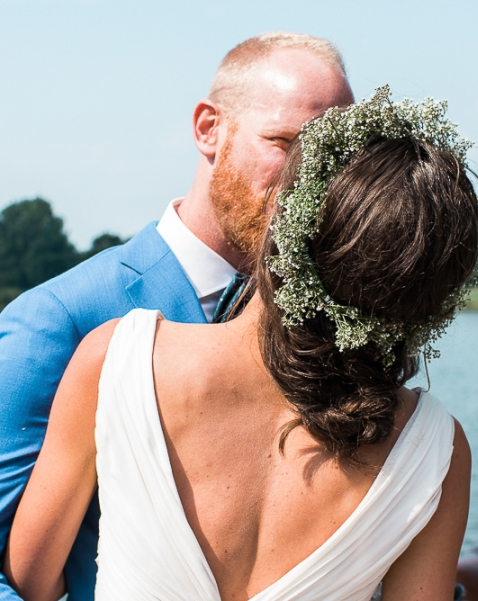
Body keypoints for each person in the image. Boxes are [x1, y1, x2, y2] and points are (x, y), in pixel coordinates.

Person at [3, 88, 478, 600]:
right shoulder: (438, 450)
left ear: (285, 220)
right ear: (433, 302)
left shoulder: (118, 358)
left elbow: (31, 578)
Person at [0, 32, 353, 600]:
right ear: (209, 128)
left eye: (333, 157)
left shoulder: (339, 323)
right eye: (284, 143)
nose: (308, 181)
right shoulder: (56, 320)